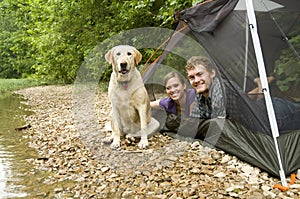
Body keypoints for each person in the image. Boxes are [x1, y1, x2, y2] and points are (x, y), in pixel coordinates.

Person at [185, 56, 300, 134]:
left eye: (200, 74)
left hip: (275, 114)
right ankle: (261, 83)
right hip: (260, 110)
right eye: (192, 77)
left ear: (212, 73)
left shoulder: (221, 89)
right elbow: (195, 122)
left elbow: (218, 128)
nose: (196, 80)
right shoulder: (201, 94)